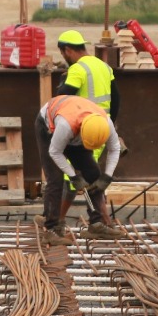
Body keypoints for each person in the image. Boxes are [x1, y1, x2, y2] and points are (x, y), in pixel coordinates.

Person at [37, 94, 125, 244]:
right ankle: (51, 230)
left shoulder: (106, 124)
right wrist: (73, 176)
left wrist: (107, 177)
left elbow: (115, 149)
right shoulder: (65, 126)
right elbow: (55, 152)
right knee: (55, 180)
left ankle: (96, 225)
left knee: (93, 173)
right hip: (48, 128)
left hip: (76, 128)